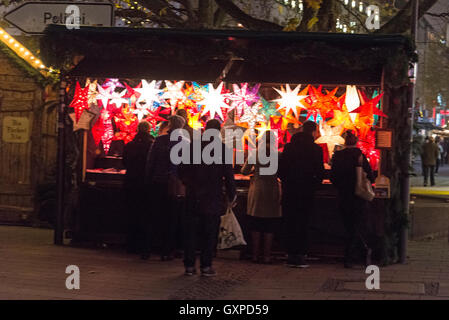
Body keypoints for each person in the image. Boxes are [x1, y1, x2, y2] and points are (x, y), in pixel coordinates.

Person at [178, 119, 236, 276]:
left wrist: (188, 183)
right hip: (212, 197)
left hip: (193, 196)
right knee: (209, 234)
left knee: (190, 232)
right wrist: (232, 194)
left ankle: (189, 265)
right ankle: (206, 265)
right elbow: (228, 175)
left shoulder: (192, 147)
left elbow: (181, 169)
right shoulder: (222, 149)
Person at [278, 121, 324, 268]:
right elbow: (320, 172)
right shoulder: (316, 149)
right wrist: (314, 185)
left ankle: (290, 254)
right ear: (314, 132)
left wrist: (286, 183)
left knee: (290, 222)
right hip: (307, 192)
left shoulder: (289, 147)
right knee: (304, 223)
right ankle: (301, 255)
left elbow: (281, 170)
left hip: (290, 191)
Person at [330, 130, 374, 268]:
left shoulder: (337, 156)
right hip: (358, 197)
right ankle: (356, 254)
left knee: (348, 226)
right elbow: (371, 176)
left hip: (343, 196)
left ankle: (353, 254)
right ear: (356, 141)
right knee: (357, 226)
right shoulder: (360, 156)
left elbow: (333, 177)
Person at [145, 115, 186, 260]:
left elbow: (150, 162)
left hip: (157, 182)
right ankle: (166, 251)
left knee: (153, 215)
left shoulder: (159, 140)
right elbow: (187, 166)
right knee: (172, 217)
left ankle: (147, 249)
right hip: (174, 185)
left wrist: (149, 179)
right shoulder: (185, 143)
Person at [241, 131, 281, 264]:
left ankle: (254, 255)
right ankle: (267, 256)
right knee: (270, 224)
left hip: (257, 189)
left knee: (256, 223)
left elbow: (244, 171)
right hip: (273, 189)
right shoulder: (278, 154)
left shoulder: (255, 153)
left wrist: (254, 170)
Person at [122, 121, 154, 255]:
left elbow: (124, 162)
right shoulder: (152, 145)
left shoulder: (130, 145)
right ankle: (144, 245)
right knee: (146, 215)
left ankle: (130, 244)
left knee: (131, 213)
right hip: (146, 184)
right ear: (149, 130)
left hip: (130, 182)